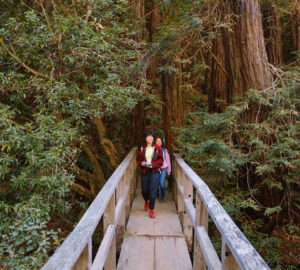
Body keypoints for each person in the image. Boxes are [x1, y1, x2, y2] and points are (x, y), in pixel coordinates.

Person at [137, 131, 163, 218]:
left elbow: (161, 161)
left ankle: (151, 210)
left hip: (154, 172)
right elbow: (138, 160)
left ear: (153, 138)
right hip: (145, 171)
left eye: (151, 137)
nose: (150, 138)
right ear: (145, 138)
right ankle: (146, 200)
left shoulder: (157, 148)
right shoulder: (142, 148)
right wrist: (141, 163)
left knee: (153, 191)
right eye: (148, 136)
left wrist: (154, 165)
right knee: (144, 190)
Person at [156, 137, 171, 202]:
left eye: (160, 141)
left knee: (162, 183)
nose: (159, 142)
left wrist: (169, 171)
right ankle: (156, 193)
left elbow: (168, 161)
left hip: (163, 169)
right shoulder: (153, 150)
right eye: (158, 141)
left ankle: (162, 197)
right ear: (155, 142)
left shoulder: (165, 151)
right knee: (156, 183)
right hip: (156, 168)